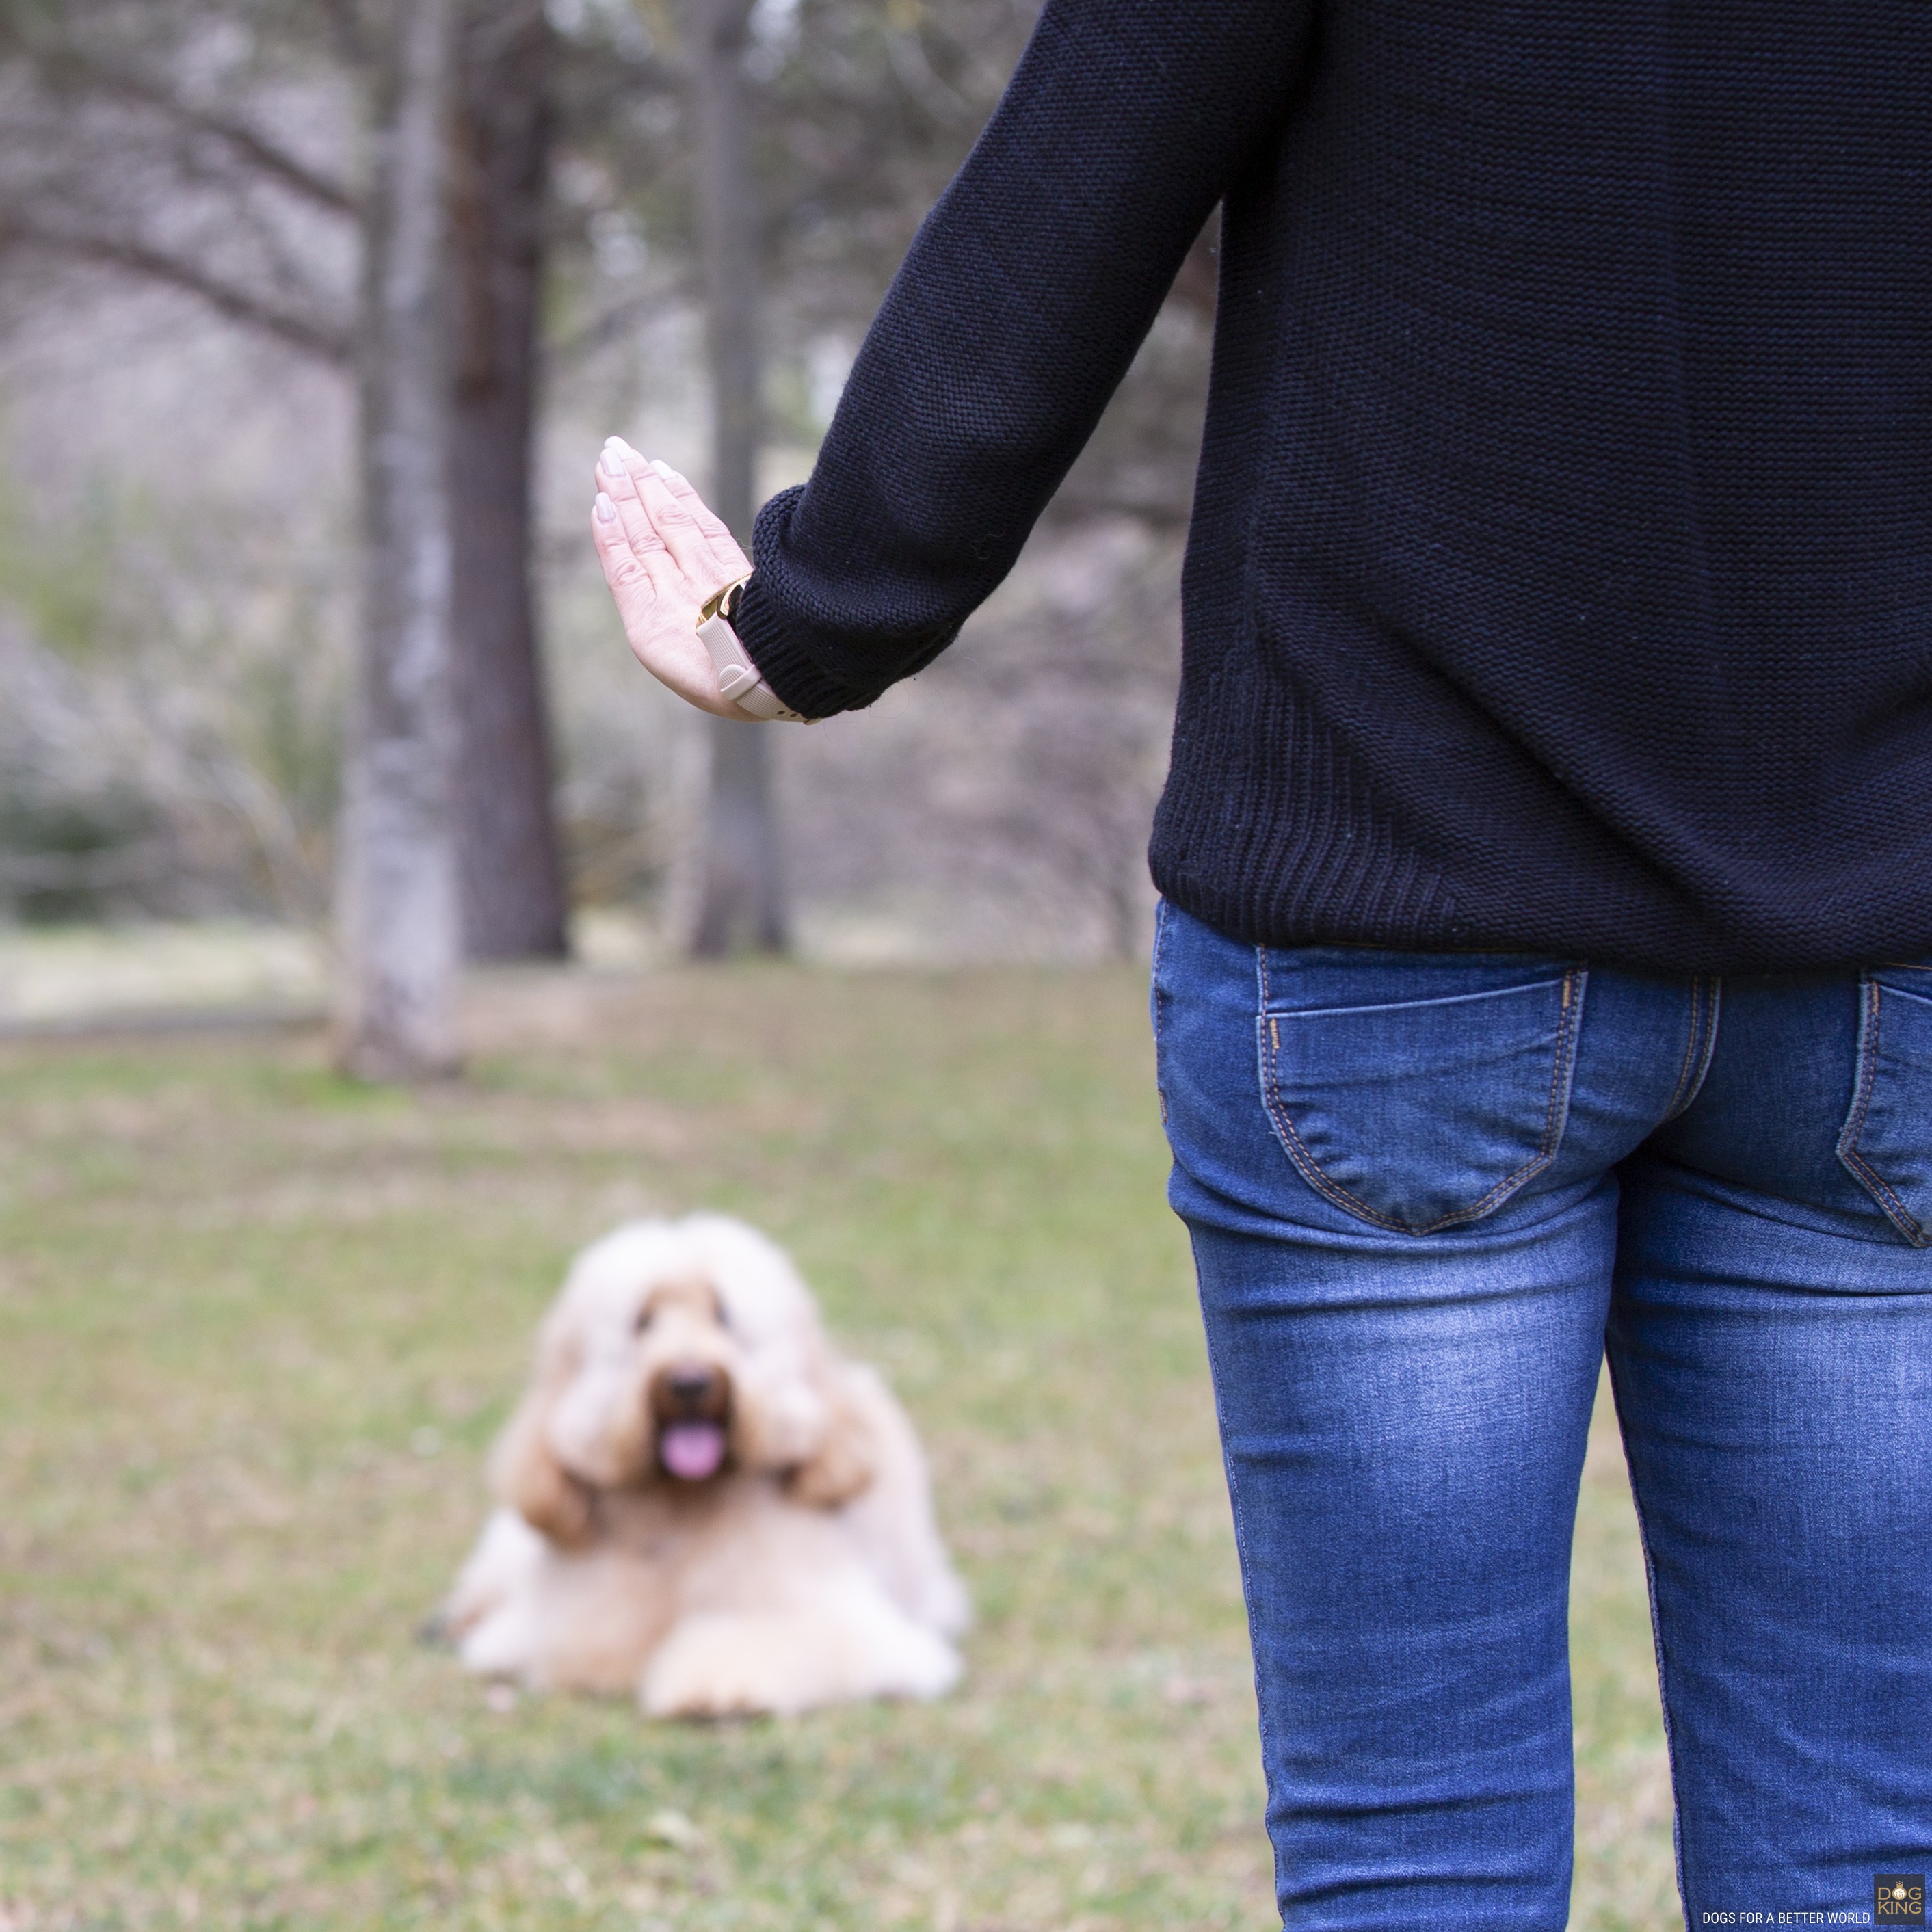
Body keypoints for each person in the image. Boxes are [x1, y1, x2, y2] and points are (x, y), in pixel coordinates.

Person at [589, 2, 1932, 1924]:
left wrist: (816, 610)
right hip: (1879, 964)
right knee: (1867, 1852)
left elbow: (1082, 173)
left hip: (1394, 942)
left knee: (1419, 1843)